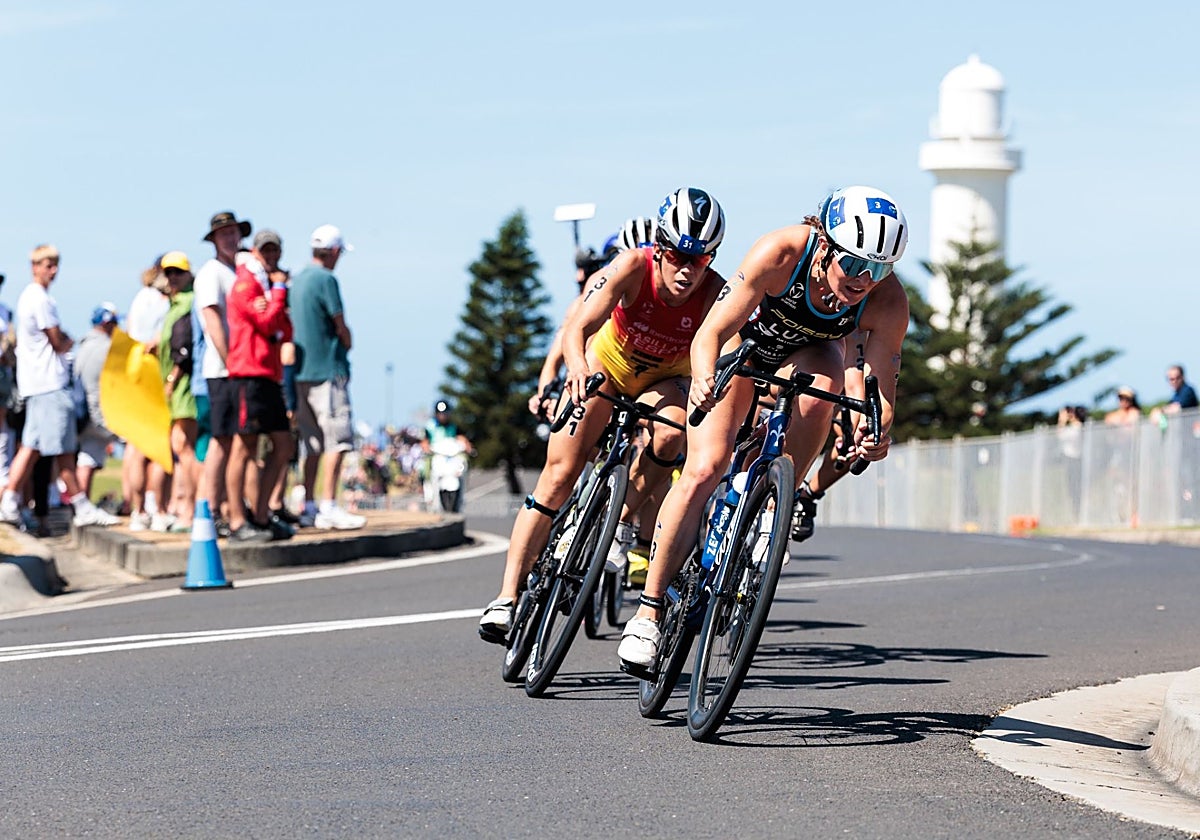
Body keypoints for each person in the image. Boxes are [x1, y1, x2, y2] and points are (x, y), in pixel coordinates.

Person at [617, 185, 911, 670]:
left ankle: (775, 502)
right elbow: (710, 332)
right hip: (744, 343)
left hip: (809, 354)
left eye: (879, 269)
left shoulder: (887, 300)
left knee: (828, 381)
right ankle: (648, 614)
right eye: (855, 264)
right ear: (825, 245)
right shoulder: (781, 252)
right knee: (705, 466)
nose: (864, 280)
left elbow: (880, 384)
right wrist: (705, 379)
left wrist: (876, 430)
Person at [479, 187, 728, 642]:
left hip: (660, 383)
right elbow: (579, 324)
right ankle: (507, 597)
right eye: (677, 254)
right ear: (660, 248)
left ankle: (619, 523)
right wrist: (575, 367)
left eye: (702, 259)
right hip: (607, 369)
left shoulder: (716, 292)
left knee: (673, 435)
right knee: (557, 477)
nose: (687, 269)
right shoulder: (633, 266)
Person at [0, 245, 117, 528]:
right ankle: (80, 505)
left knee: (30, 447)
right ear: (35, 266)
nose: (52, 270)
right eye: (47, 264)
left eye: (54, 265)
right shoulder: (40, 299)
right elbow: (58, 339)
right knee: (63, 451)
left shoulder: (30, 297)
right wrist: (66, 341)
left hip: (36, 385)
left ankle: (9, 500)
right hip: (50, 385)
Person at [290, 224, 366, 530]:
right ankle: (329, 505)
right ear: (333, 251)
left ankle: (309, 504)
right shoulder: (326, 280)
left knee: (312, 444)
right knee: (336, 442)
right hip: (327, 370)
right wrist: (347, 341)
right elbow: (339, 323)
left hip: (301, 372)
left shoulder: (297, 280)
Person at [223, 247, 294, 541]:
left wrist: (276, 295)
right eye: (265, 252)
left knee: (283, 444)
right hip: (248, 375)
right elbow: (266, 322)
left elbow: (283, 328)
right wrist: (278, 290)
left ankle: (262, 513)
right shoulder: (245, 283)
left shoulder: (263, 286)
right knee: (244, 448)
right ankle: (239, 521)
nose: (271, 258)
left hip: (268, 374)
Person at [193, 210, 251, 532]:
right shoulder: (212, 273)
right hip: (223, 369)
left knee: (231, 440)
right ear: (214, 239)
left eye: (233, 233)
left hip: (235, 367)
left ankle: (221, 506)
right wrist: (231, 360)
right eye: (224, 234)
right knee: (222, 439)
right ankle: (210, 507)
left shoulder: (234, 271)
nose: (230, 238)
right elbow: (212, 319)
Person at [122, 258, 172, 529]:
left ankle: (137, 507)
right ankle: (153, 505)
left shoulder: (140, 297)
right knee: (152, 447)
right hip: (153, 374)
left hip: (136, 373)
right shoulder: (160, 301)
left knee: (135, 447)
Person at [158, 252, 200, 534]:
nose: (173, 278)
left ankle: (194, 508)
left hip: (184, 389)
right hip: (178, 388)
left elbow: (183, 351)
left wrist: (172, 380)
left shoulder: (186, 304)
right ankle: (186, 506)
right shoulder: (175, 304)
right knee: (180, 450)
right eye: (169, 273)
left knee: (185, 450)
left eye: (178, 273)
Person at [73, 302, 120, 497]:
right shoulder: (105, 347)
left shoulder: (84, 345)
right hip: (96, 413)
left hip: (81, 412)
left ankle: (82, 505)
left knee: (88, 457)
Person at [421, 399, 475, 511]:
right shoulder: (430, 426)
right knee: (426, 470)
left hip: (452, 458)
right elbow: (425, 441)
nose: (443, 416)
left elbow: (462, 438)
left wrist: (468, 447)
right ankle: (429, 496)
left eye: (445, 414)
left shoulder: (454, 426)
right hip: (437, 457)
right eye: (440, 414)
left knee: (464, 464)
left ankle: (461, 497)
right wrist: (426, 448)